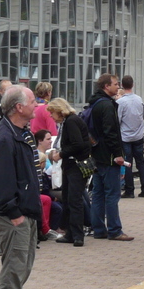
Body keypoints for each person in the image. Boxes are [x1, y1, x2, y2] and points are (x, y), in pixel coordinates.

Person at [0, 86, 42, 289]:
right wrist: (14, 213)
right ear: (19, 107)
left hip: (22, 212)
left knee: (20, 263)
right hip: (12, 216)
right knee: (17, 265)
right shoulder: (5, 138)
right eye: (32, 101)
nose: (35, 105)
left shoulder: (19, 133)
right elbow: (0, 181)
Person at [87, 74, 134, 242]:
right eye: (115, 84)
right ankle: (115, 230)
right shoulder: (107, 106)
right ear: (106, 86)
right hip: (108, 157)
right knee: (112, 194)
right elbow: (111, 132)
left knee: (98, 194)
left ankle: (99, 229)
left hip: (97, 155)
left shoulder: (94, 103)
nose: (118, 87)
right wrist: (118, 154)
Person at [46, 98, 92, 247]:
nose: (51, 117)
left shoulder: (71, 122)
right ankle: (70, 233)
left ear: (59, 111)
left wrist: (61, 154)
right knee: (67, 197)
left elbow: (77, 144)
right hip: (70, 165)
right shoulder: (68, 121)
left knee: (74, 199)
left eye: (52, 113)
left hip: (75, 165)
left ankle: (77, 235)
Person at [117, 76, 144, 199]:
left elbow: (118, 120)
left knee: (127, 163)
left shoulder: (120, 102)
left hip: (125, 137)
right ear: (133, 85)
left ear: (122, 85)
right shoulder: (139, 99)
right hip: (138, 136)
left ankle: (129, 191)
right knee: (141, 162)